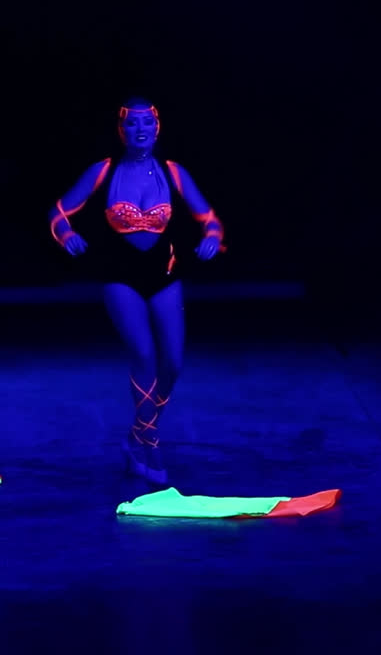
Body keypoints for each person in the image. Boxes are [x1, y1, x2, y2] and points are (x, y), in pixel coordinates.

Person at [49, 98, 224, 485]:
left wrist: (212, 237)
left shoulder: (173, 173)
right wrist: (67, 234)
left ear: (157, 128)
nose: (140, 129)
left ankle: (136, 435)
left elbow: (210, 219)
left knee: (173, 363)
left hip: (164, 273)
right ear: (121, 130)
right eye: (133, 124)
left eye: (148, 123)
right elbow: (58, 213)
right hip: (118, 276)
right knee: (143, 354)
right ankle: (150, 443)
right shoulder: (103, 172)